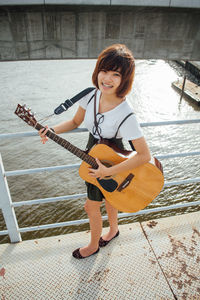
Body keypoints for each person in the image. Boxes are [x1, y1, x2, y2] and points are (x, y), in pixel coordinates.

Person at [39, 44, 151, 259]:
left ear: (124, 79)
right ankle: (114, 230)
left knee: (92, 207)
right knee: (110, 200)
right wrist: (51, 130)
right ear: (97, 71)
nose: (107, 79)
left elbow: (144, 155)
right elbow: (74, 121)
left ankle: (93, 246)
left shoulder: (126, 114)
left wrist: (108, 172)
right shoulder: (90, 96)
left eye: (115, 74)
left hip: (113, 161)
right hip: (92, 155)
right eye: (104, 71)